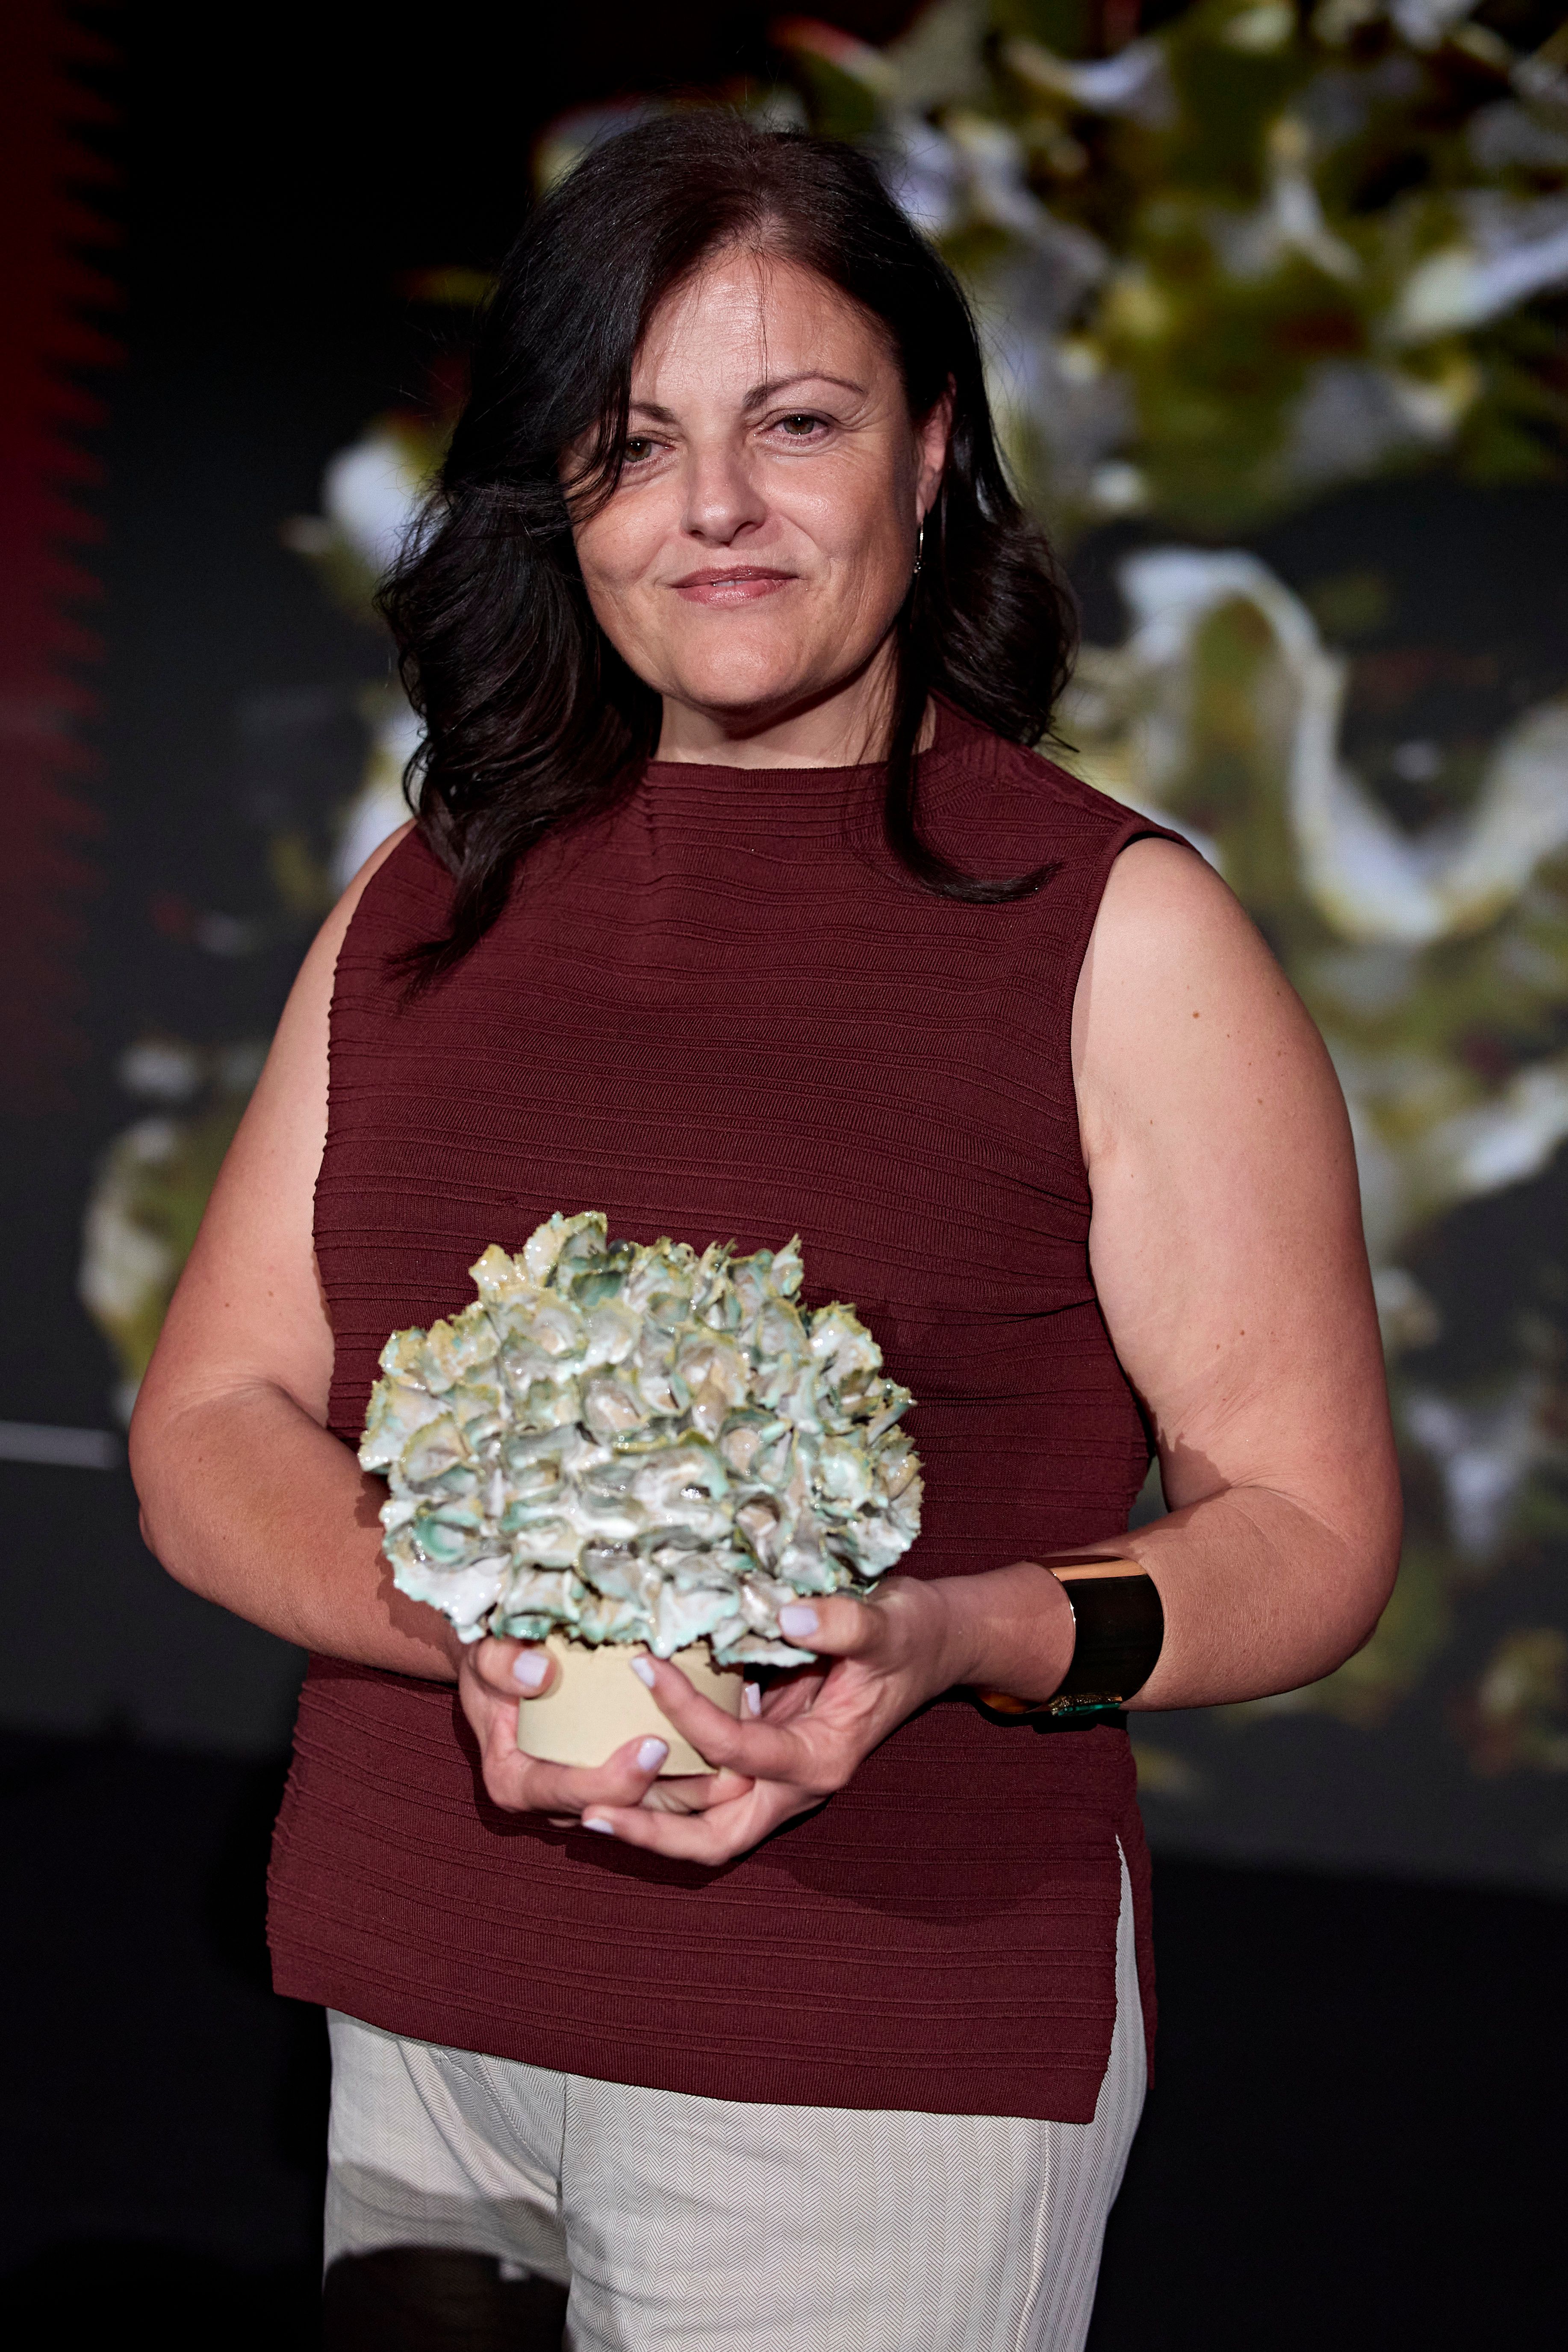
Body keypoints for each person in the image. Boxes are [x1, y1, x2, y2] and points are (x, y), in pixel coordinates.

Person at [130, 113, 1401, 2352]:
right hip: (419, 2003)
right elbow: (214, 1421)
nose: (711, 508)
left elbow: (1302, 1530)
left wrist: (948, 1638)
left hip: (869, 2053)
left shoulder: (1113, 929)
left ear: (928, 457)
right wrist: (492, 1645)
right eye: (633, 443)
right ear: (563, 496)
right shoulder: (424, 900)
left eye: (790, 424)